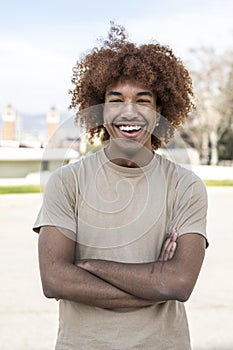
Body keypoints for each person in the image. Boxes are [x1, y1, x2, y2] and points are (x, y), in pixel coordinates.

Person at [33, 23, 208, 350]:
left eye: (143, 100)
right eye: (116, 100)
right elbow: (54, 279)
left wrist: (87, 267)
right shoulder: (67, 182)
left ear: (158, 113)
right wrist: (153, 279)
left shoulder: (185, 186)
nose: (130, 112)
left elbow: (180, 283)